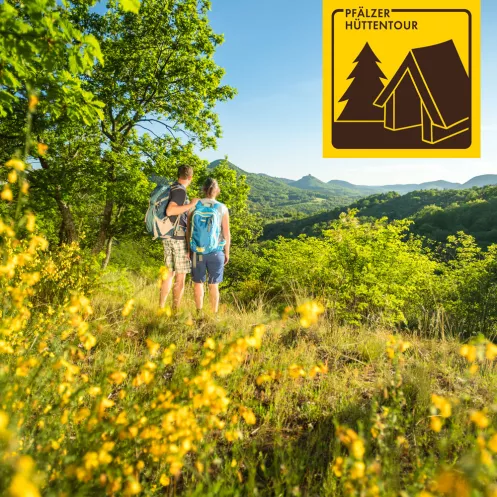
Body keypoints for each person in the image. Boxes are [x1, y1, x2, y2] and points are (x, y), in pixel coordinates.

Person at [187, 178, 230, 314]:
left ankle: (199, 312)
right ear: (217, 191)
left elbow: (188, 230)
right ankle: (213, 314)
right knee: (214, 285)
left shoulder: (194, 205)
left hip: (196, 251)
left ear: (203, 190)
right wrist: (227, 252)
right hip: (216, 252)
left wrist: (189, 250)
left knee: (198, 283)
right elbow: (226, 233)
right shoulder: (222, 208)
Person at [160, 165, 199, 309]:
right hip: (177, 238)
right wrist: (191, 205)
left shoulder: (172, 187)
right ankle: (174, 310)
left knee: (169, 274)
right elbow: (170, 211)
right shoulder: (180, 191)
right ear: (190, 178)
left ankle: (161, 307)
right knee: (180, 276)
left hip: (168, 235)